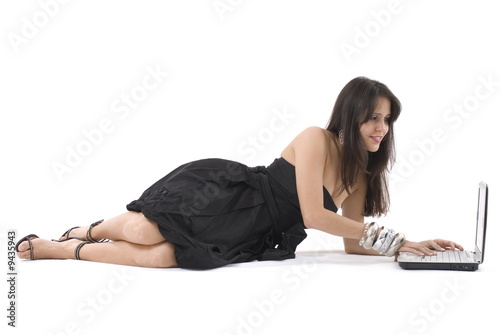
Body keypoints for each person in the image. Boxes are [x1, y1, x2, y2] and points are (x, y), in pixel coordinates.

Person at [16, 77, 463, 269]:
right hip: (230, 196)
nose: (381, 129)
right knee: (146, 230)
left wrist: (409, 247)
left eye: (387, 120)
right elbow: (314, 215)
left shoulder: (360, 174)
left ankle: (62, 252)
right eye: (373, 118)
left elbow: (350, 241)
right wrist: (394, 239)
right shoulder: (316, 139)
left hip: (255, 234)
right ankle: (80, 232)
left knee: (160, 258)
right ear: (351, 116)